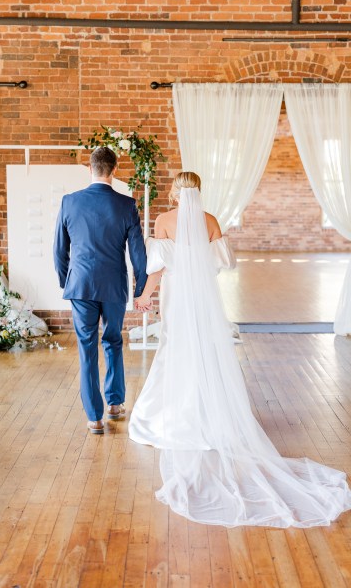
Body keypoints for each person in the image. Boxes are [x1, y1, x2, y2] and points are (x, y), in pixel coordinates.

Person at [129, 171, 351, 528]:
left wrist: (144, 296)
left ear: (174, 190)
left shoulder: (164, 221)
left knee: (176, 351)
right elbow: (223, 263)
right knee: (205, 353)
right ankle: (208, 413)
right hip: (203, 300)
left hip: (178, 299)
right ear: (199, 191)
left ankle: (177, 415)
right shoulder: (211, 221)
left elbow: (157, 268)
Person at [54, 147, 149, 434]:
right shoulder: (127, 205)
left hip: (81, 285)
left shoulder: (70, 202)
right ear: (114, 170)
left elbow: (59, 249)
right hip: (113, 286)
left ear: (90, 168)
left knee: (86, 348)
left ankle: (94, 418)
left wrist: (66, 281)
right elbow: (138, 253)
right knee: (113, 342)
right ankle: (115, 403)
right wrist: (140, 288)